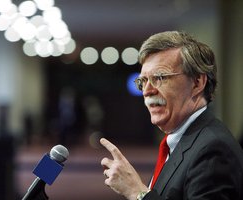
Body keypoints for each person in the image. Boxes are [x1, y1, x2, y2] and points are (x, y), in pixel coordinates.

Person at [100, 31, 243, 200]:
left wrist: (137, 193)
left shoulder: (213, 149)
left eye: (160, 77)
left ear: (197, 83)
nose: (147, 91)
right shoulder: (182, 141)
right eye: (143, 81)